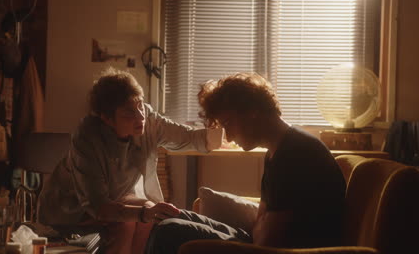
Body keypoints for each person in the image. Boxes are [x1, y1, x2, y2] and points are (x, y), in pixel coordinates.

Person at [145, 72, 346, 253]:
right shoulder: (277, 151)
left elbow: (269, 240)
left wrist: (258, 231)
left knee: (169, 232)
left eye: (228, 124)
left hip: (282, 252)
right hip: (259, 243)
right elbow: (262, 221)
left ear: (252, 111)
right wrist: (259, 229)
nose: (229, 137)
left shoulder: (295, 153)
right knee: (171, 218)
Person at [37, 67, 222, 253]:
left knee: (151, 211)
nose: (140, 116)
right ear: (106, 118)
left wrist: (218, 116)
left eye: (140, 105)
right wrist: (142, 214)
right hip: (70, 209)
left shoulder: (147, 119)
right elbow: (98, 205)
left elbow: (189, 138)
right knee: (127, 222)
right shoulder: (87, 137)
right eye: (128, 112)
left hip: (116, 197)